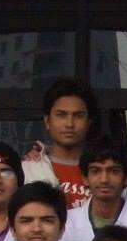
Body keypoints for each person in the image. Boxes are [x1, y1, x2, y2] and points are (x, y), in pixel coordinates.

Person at [37, 77, 98, 207]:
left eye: (78, 116)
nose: (69, 124)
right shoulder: (28, 169)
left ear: (88, 123)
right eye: (61, 115)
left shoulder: (106, 171)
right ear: (47, 121)